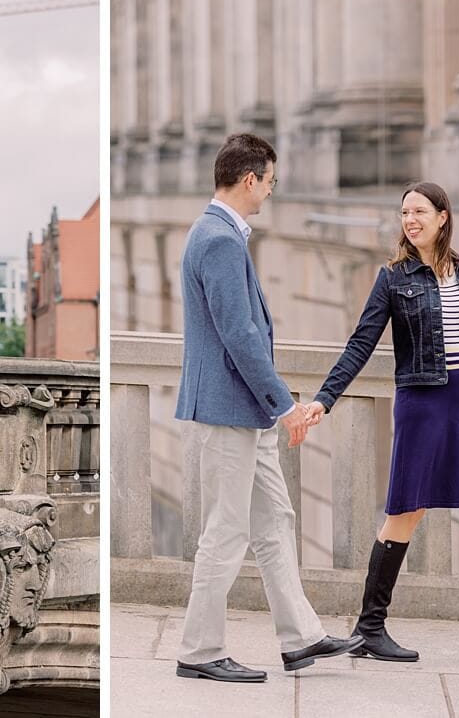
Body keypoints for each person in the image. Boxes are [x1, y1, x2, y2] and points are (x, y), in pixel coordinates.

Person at [305, 182, 459, 666]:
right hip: (421, 407)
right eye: (404, 212)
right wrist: (325, 398)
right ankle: (370, 628)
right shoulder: (393, 278)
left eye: (419, 210)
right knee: (406, 512)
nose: (410, 219)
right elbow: (361, 344)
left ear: (443, 216)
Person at [174, 133, 362, 684]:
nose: (271, 192)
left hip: (241, 411)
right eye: (271, 182)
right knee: (227, 531)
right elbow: (239, 334)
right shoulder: (219, 240)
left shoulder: (219, 233)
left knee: (275, 521)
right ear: (250, 178)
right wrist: (286, 405)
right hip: (231, 410)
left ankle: (300, 638)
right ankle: (199, 650)